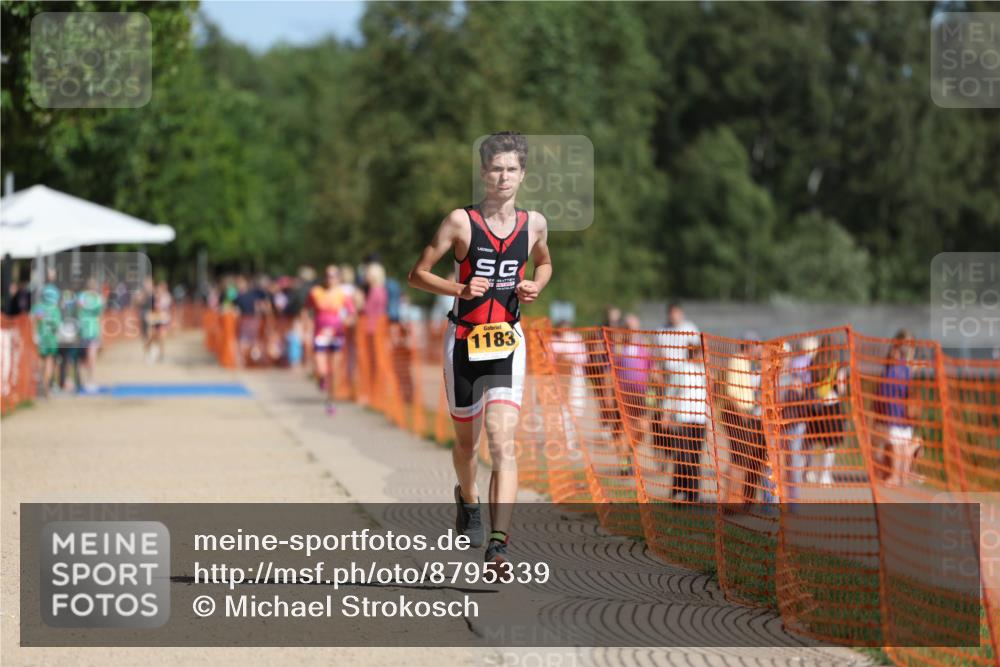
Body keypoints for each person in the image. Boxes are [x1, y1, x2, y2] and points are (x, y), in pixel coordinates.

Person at [407, 131, 552, 569]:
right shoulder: (460, 221)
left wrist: (537, 285)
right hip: (465, 339)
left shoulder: (536, 224)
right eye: (495, 169)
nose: (503, 177)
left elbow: (544, 260)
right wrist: (460, 287)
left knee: (502, 440)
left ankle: (499, 544)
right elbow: (417, 274)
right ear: (483, 173)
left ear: (522, 174)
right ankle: (467, 498)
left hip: (508, 340)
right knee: (467, 445)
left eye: (511, 169)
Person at [655, 342, 708, 502]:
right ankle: (679, 489)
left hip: (699, 420)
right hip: (683, 419)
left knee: (696, 457)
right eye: (701, 354)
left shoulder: (703, 372)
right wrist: (666, 414)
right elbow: (671, 392)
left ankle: (692, 494)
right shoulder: (682, 370)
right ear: (695, 354)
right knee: (683, 456)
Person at [306, 265, 357, 415]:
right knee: (322, 369)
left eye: (333, 275)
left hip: (336, 334)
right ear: (324, 277)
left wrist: (347, 321)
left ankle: (331, 401)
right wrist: (307, 322)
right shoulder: (315, 292)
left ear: (338, 278)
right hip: (320, 334)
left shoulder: (342, 294)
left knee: (334, 371)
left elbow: (351, 312)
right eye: (328, 275)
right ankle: (321, 378)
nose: (330, 278)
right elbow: (307, 308)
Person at [874, 330, 920, 486]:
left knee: (898, 445)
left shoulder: (901, 369)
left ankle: (898, 475)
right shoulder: (902, 368)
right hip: (898, 412)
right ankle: (901, 476)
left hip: (898, 412)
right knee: (899, 445)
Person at [31, 284, 62, 397]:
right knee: (49, 361)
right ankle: (46, 386)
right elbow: (58, 326)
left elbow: (33, 321)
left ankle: (40, 384)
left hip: (40, 339)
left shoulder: (38, 307)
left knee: (40, 361)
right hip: (51, 340)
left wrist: (34, 335)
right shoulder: (55, 310)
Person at [77, 278, 104, 392]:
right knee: (89, 357)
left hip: (86, 330)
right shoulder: (97, 299)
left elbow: (77, 309)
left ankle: (86, 381)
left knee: (86, 357)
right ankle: (88, 381)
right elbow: (99, 314)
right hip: (90, 331)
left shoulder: (81, 297)